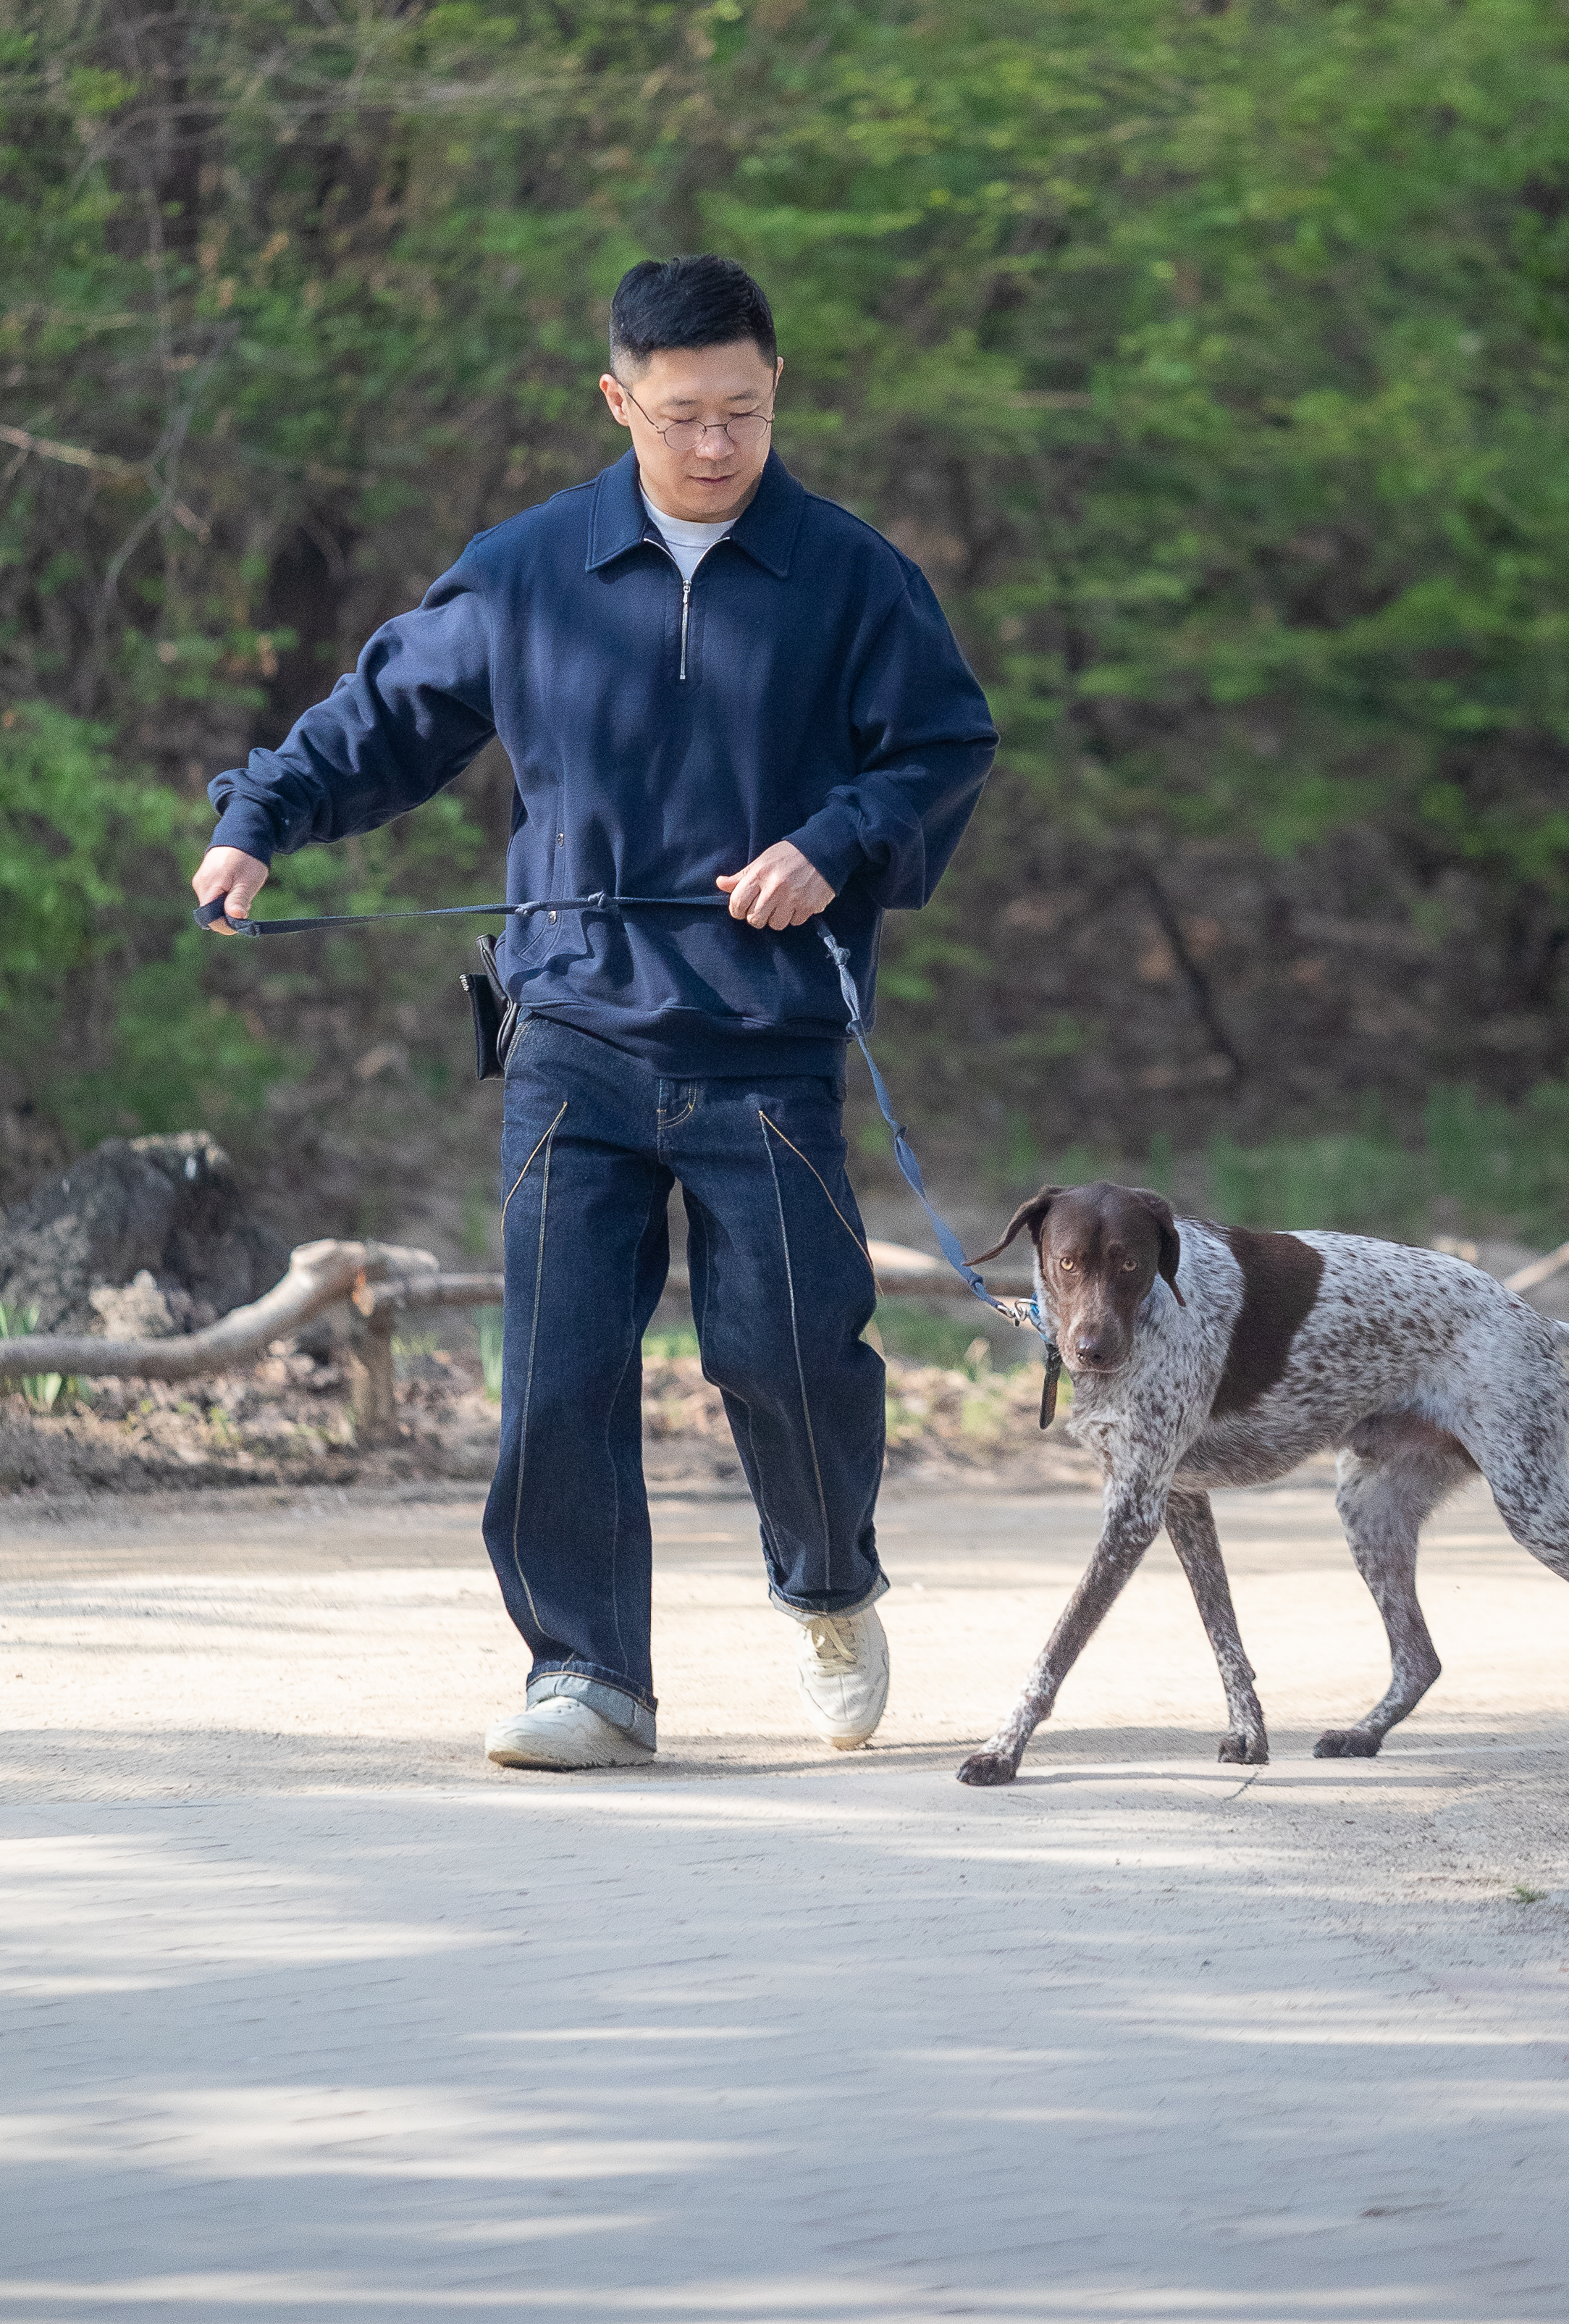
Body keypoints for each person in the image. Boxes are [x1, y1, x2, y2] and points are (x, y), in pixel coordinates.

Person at [193, 255, 997, 1771]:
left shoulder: (850, 572)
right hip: (569, 1029)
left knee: (792, 1352)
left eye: (743, 413)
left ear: (778, 393)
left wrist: (829, 846)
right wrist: (259, 818)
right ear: (618, 398)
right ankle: (587, 1676)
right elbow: (381, 717)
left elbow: (942, 744)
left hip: (763, 1040)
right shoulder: (528, 565)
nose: (714, 445)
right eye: (681, 415)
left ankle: (828, 1584)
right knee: (557, 1365)